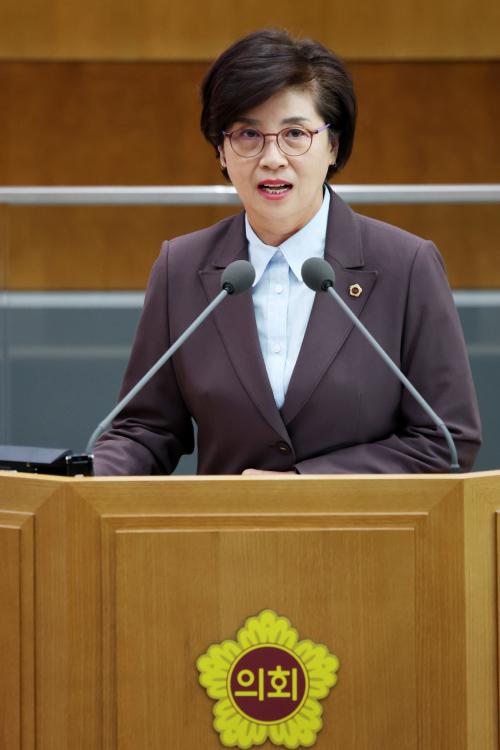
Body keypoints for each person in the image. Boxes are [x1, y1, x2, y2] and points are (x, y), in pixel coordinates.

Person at [93, 29, 481, 476]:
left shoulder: (406, 266)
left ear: (332, 145)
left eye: (295, 133)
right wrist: (90, 476)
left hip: (365, 523)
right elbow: (146, 428)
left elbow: (446, 440)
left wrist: (300, 487)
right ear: (221, 151)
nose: (272, 158)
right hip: (223, 524)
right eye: (248, 134)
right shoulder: (180, 267)